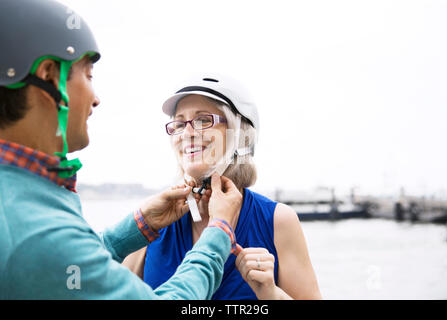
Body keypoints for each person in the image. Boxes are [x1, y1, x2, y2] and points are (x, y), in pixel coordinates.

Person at [0, 0, 243, 299]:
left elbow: (63, 271)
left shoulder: (20, 200)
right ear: (50, 75)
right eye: (88, 76)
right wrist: (217, 232)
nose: (96, 98)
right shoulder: (36, 229)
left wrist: (139, 225)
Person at [122, 74, 322, 299]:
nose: (187, 133)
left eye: (203, 120)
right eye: (178, 124)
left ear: (241, 135)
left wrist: (272, 293)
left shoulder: (278, 220)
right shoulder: (150, 223)